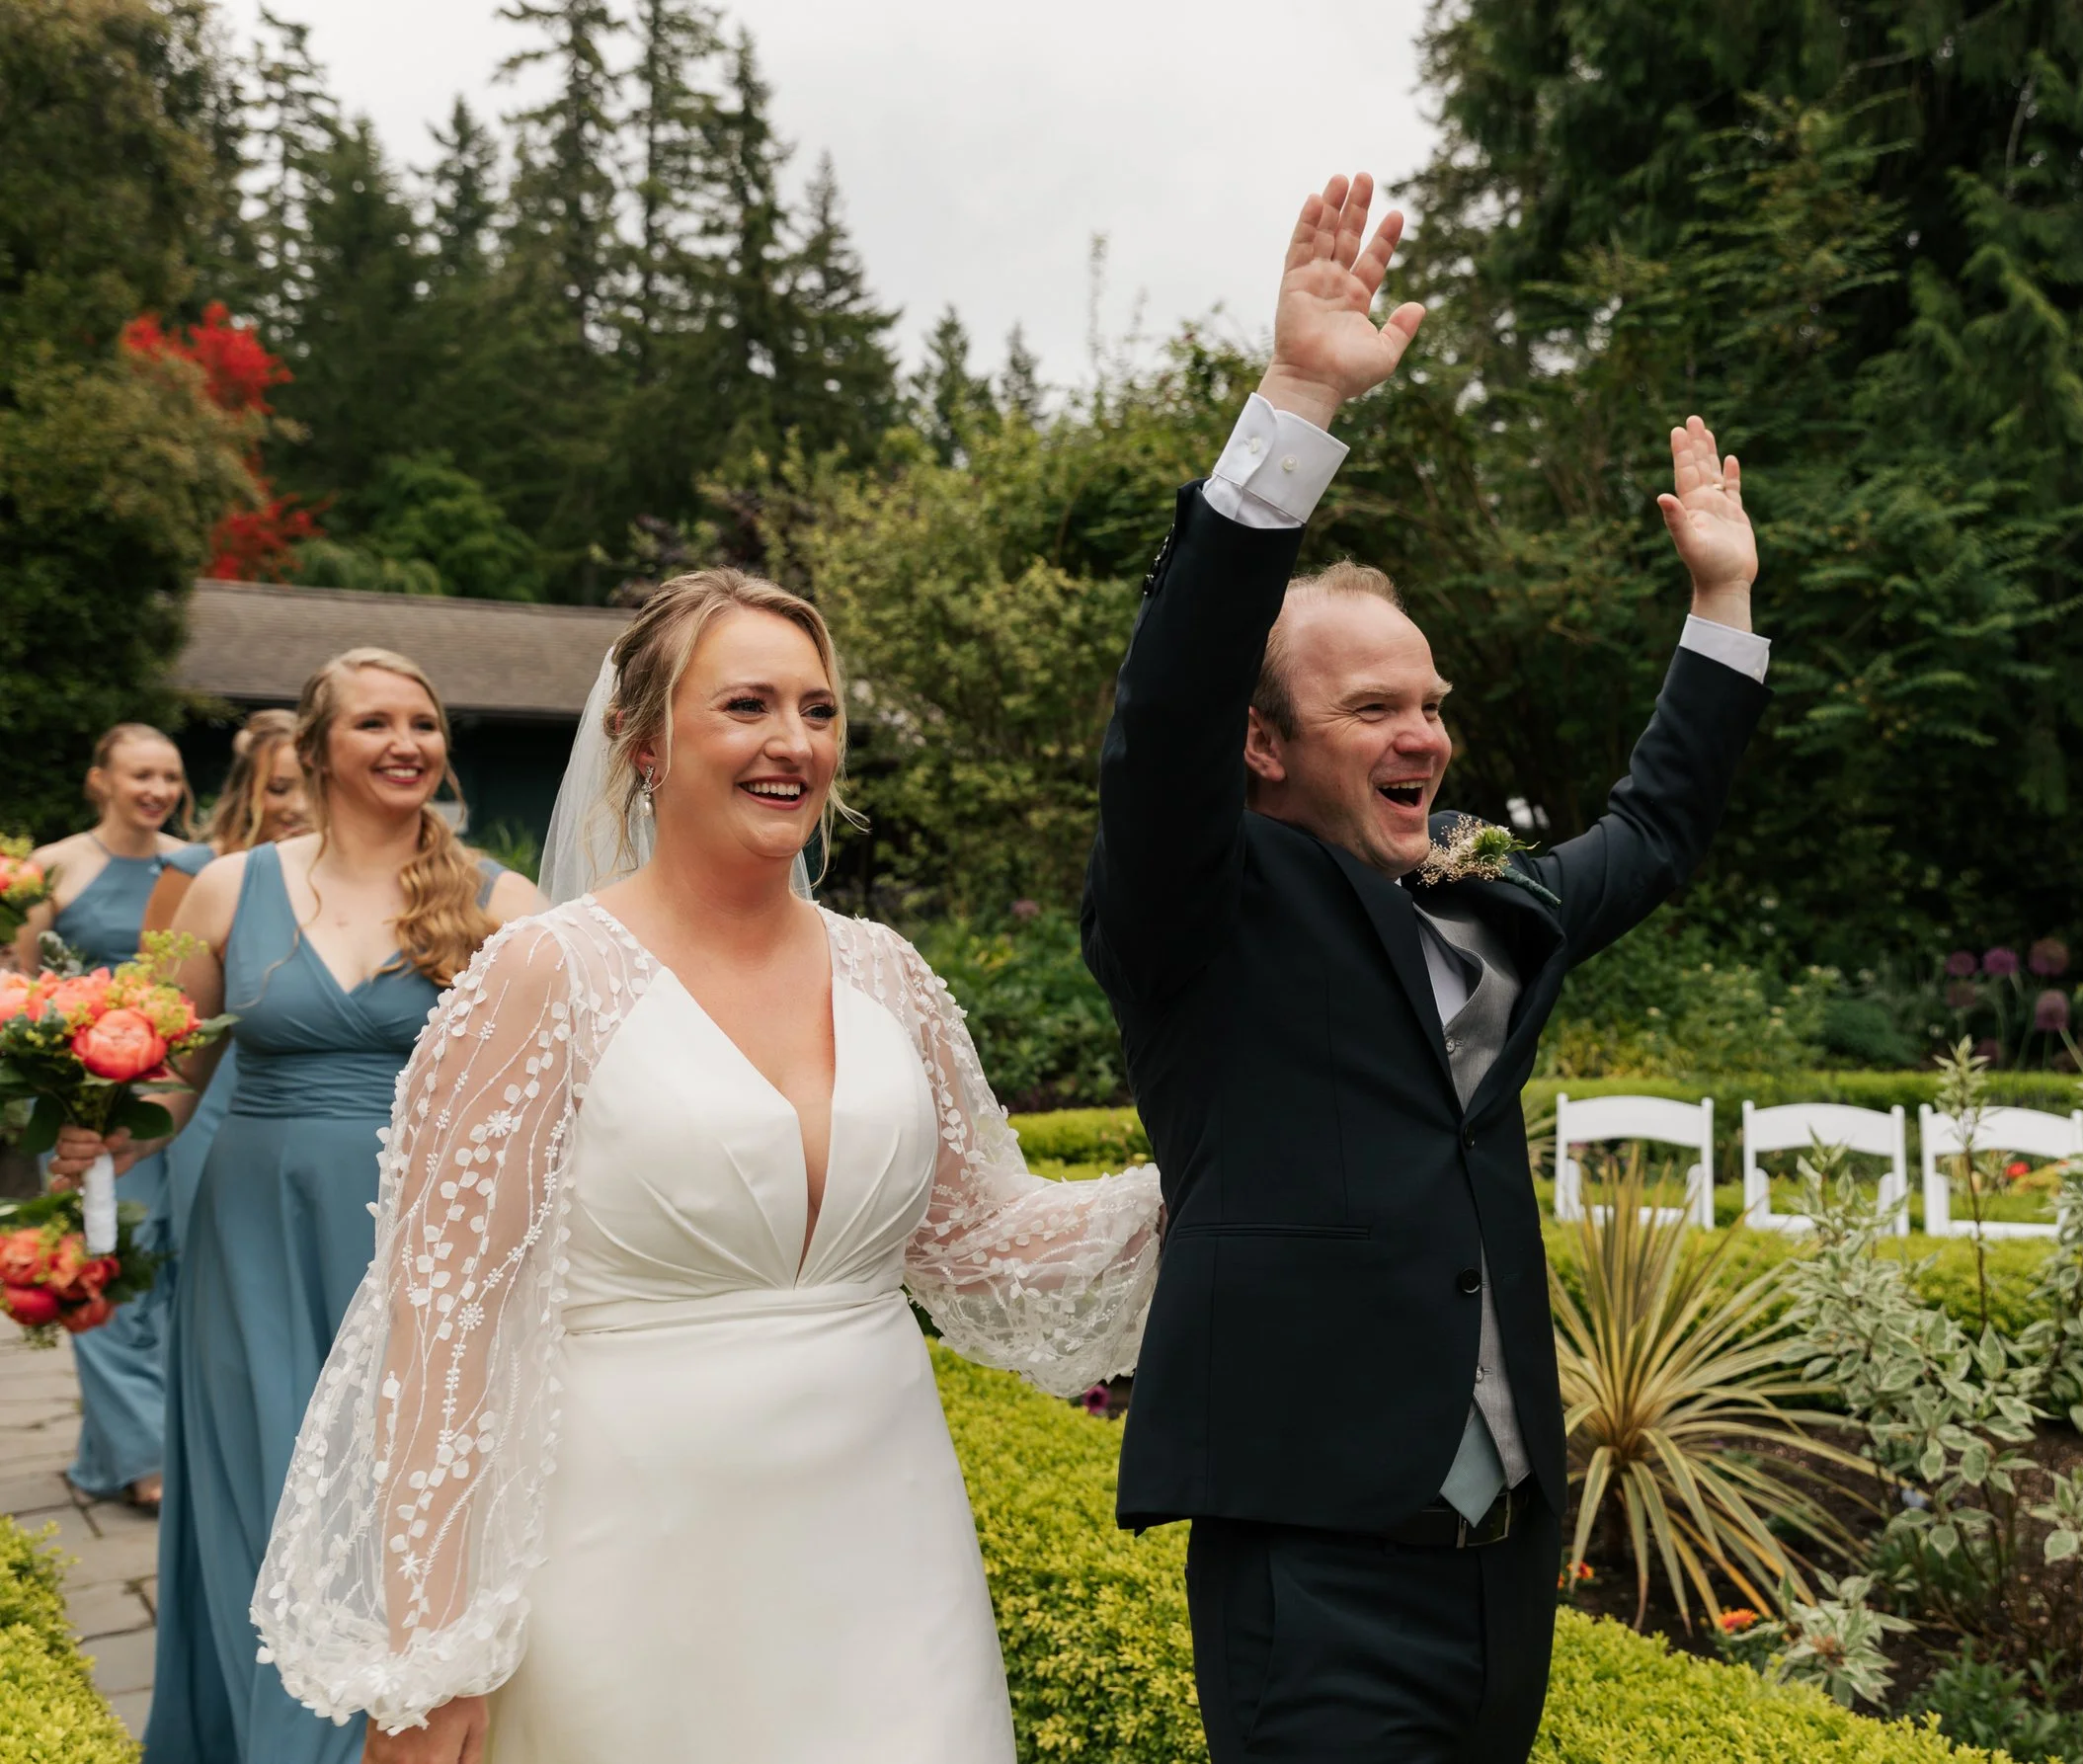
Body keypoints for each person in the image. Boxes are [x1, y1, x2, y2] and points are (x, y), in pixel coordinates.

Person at [1079, 173, 1774, 1763]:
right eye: (1377, 709)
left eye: (1434, 701)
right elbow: (1168, 706)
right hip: (1313, 1561)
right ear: (1264, 748)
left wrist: (1721, 601)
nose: (1429, 735)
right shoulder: (1199, 909)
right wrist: (1299, 401)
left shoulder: (1492, 906)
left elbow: (1655, 832)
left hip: (1504, 1566)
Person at [245, 571, 1163, 1764]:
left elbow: (980, 1241)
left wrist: (1211, 1185)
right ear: (642, 742)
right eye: (747, 705)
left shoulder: (887, 973)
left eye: (819, 710)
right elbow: (442, 1329)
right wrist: (432, 1662)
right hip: (626, 1555)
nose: (794, 743)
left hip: (887, 1548)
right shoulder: (539, 980)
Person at [52, 649, 539, 1764]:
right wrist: (100, 1130)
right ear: (314, 750)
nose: (408, 741)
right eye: (376, 722)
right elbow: (171, 1076)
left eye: (424, 721)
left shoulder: (504, 900)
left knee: (395, 1507)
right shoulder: (225, 888)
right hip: (253, 1239)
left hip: (422, 1244)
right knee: (267, 1507)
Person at [18, 724, 196, 1511]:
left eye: (169, 776)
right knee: (101, 1259)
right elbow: (20, 985)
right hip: (78, 1094)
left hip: (171, 1089)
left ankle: (115, 1446)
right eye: (141, 775)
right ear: (101, 780)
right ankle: (141, 1456)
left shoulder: (195, 865)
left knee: (166, 1266)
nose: (157, 790)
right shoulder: (55, 865)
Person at [143, 710, 312, 1264]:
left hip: (307, 1080)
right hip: (207, 1082)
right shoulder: (196, 870)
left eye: (311, 786)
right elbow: (153, 997)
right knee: (212, 1239)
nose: (298, 805)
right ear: (249, 790)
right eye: (280, 788)